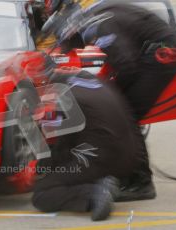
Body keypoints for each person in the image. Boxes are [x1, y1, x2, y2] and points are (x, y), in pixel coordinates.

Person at [37, 0, 176, 201]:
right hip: (153, 48)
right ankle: (127, 172)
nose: (67, 45)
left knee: (126, 113)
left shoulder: (96, 26)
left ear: (71, 29)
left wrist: (108, 94)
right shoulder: (93, 15)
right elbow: (118, 55)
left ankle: (141, 183)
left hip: (162, 53)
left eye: (66, 39)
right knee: (117, 105)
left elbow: (126, 65)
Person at [32, 69, 145, 221]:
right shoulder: (99, 83)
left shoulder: (63, 98)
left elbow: (60, 143)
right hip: (130, 158)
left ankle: (94, 194)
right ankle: (101, 181)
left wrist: (42, 168)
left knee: (42, 194)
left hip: (100, 159)